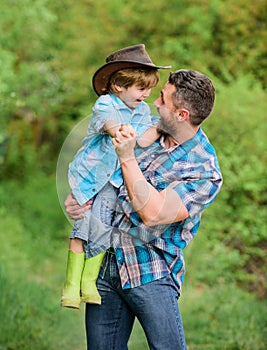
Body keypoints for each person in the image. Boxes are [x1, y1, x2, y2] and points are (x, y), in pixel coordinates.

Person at [64, 69, 223, 349]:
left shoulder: (203, 171)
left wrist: (127, 158)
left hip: (151, 271)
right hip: (105, 263)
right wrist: (80, 195)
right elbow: (100, 163)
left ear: (182, 114)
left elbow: (154, 213)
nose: (156, 103)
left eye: (163, 99)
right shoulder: (147, 129)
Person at [61, 44, 171, 309]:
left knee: (102, 227)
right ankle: (70, 283)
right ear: (120, 85)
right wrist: (120, 132)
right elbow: (111, 124)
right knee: (82, 226)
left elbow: (142, 140)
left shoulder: (143, 112)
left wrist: (160, 128)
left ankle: (88, 283)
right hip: (89, 177)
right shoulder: (105, 103)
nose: (146, 95)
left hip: (114, 180)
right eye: (141, 89)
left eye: (149, 89)